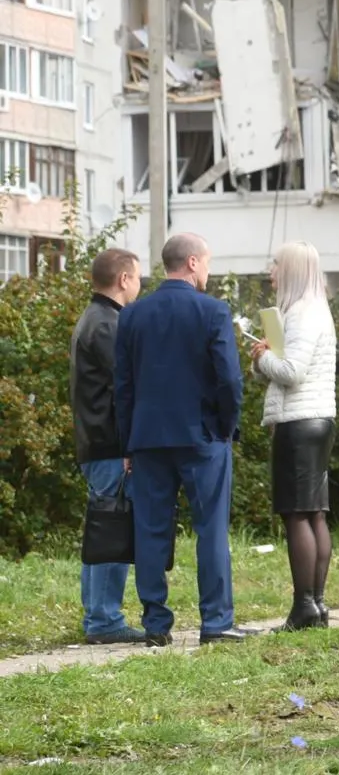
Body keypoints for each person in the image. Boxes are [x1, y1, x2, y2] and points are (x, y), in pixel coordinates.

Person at [114, 232, 250, 647]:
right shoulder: (213, 311)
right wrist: (227, 427)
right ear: (192, 263)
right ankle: (216, 622)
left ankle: (156, 624)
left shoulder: (133, 315)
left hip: (148, 438)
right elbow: (229, 378)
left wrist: (127, 443)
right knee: (210, 529)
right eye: (206, 263)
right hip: (203, 436)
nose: (208, 270)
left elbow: (123, 385)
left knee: (150, 530)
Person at [250, 241, 339, 631]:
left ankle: (304, 605)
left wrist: (261, 357)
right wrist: (265, 358)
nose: (272, 272)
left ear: (292, 271)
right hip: (319, 419)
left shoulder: (302, 314)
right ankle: (316, 603)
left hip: (299, 423)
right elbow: (281, 368)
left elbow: (291, 372)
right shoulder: (316, 309)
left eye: (276, 265)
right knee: (314, 512)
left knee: (296, 514)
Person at [70, 248, 146, 645]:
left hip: (96, 442)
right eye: (137, 277)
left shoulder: (94, 318)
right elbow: (125, 386)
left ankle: (96, 612)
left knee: (103, 526)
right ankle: (103, 619)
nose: (140, 284)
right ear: (122, 279)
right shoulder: (108, 324)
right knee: (114, 527)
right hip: (109, 444)